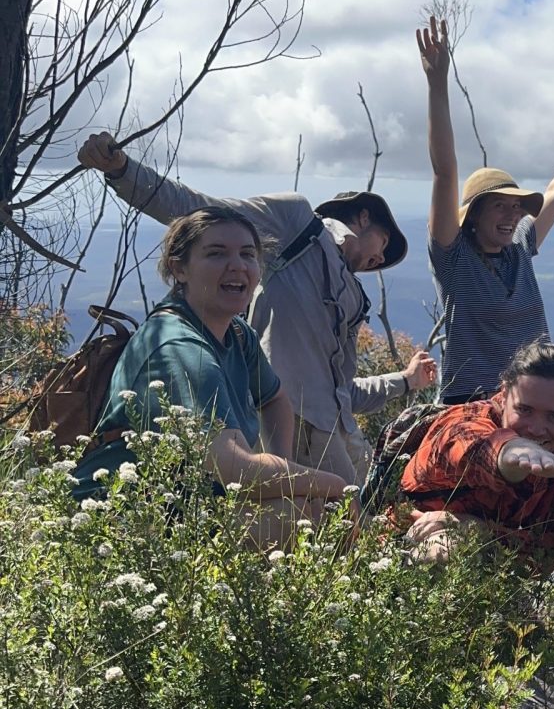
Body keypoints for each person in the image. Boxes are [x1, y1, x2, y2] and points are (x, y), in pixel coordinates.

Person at [76, 136, 436, 490]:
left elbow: (344, 392)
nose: (379, 261)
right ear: (361, 217)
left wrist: (405, 380)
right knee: (332, 521)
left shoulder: (352, 299)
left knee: (367, 522)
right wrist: (122, 171)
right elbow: (200, 212)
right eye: (383, 244)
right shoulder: (298, 224)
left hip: (335, 428)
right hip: (299, 426)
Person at [71, 207, 355, 547]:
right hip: (125, 514)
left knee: (307, 507)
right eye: (216, 253)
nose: (237, 265)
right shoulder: (180, 345)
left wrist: (284, 465)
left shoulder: (235, 333)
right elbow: (232, 468)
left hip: (189, 503)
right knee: (309, 516)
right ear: (179, 268)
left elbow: (275, 399)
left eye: (248, 254)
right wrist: (336, 484)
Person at [418, 18, 554, 404]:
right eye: (499, 206)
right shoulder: (453, 257)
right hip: (471, 406)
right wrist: (436, 83)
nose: (512, 215)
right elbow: (444, 171)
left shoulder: (519, 247)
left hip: (534, 404)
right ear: (473, 214)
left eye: (516, 206)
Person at [393, 341, 554, 588]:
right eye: (524, 410)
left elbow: (548, 551)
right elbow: (472, 446)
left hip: (497, 575)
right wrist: (508, 454)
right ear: (504, 394)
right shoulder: (463, 422)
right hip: (393, 571)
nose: (535, 428)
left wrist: (476, 528)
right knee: (446, 548)